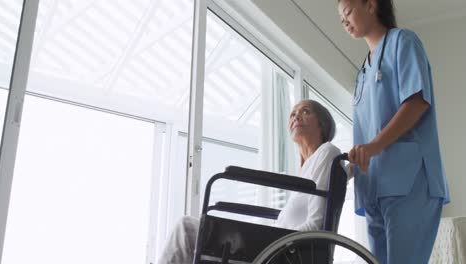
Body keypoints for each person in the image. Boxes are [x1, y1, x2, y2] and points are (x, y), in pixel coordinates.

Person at [157, 100, 342, 264]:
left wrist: (277, 244)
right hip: (278, 246)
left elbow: (317, 225)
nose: (296, 116)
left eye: (305, 111)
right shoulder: (309, 169)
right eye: (293, 113)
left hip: (285, 250)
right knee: (191, 236)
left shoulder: (327, 152)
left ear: (322, 124)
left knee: (187, 229)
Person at [337, 0, 450, 263]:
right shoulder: (363, 72)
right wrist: (354, 163)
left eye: (348, 12)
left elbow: (417, 102)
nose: (344, 21)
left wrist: (373, 147)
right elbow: (366, 129)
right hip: (374, 186)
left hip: (409, 179)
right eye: (341, 18)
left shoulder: (403, 42)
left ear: (371, 5)